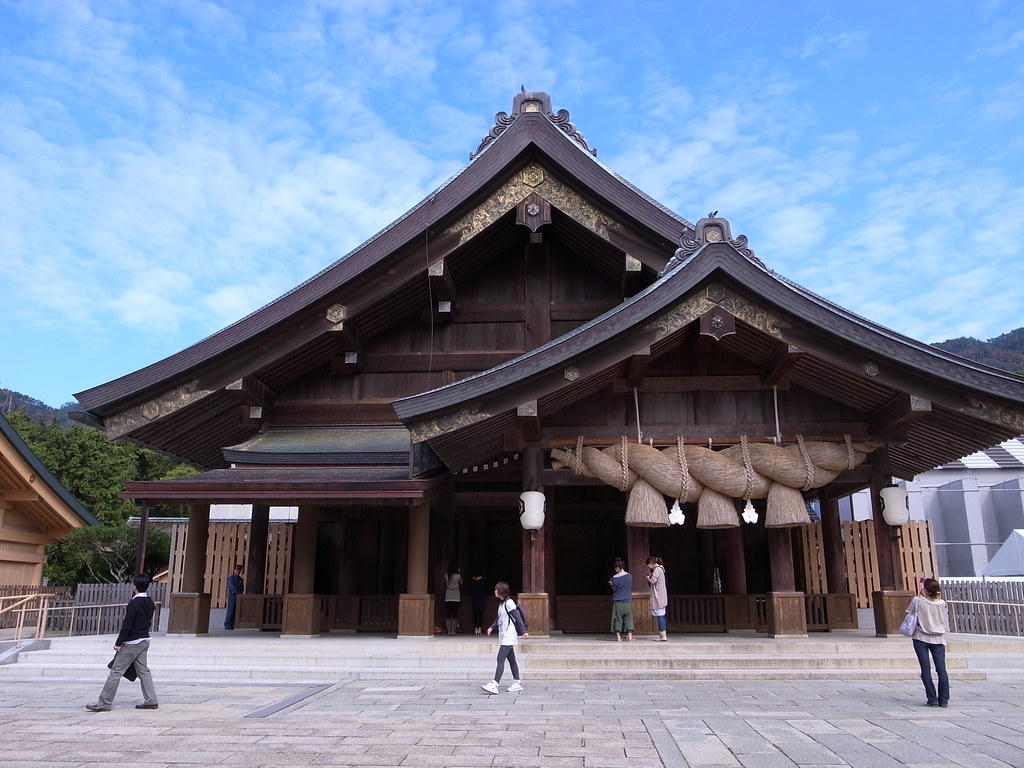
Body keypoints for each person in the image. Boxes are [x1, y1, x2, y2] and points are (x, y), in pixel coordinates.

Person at [85, 572, 159, 712]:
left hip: (132, 642)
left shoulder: (134, 602)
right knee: (143, 671)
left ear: (134, 587)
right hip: (144, 639)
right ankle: (151, 700)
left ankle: (104, 702)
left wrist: (118, 643)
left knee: (116, 672)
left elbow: (127, 625)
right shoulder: (150, 602)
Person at [907, 576, 950, 707]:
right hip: (938, 638)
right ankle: (944, 699)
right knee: (941, 670)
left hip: (921, 637)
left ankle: (932, 698)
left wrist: (920, 595)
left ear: (924, 589)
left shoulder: (917, 601)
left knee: (925, 670)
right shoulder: (942, 603)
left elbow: (909, 612)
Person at [481, 581, 527, 693]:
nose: (495, 591)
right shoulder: (502, 604)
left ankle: (495, 684)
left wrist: (523, 631)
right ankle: (517, 682)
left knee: (500, 658)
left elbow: (518, 618)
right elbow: (499, 619)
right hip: (504, 636)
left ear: (500, 591)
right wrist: (492, 627)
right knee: (511, 660)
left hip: (508, 636)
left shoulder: (509, 603)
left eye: (496, 589)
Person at [609, 558, 634, 641]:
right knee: (628, 618)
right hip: (627, 600)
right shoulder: (629, 576)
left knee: (617, 618)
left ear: (617, 568)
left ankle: (618, 636)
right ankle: (630, 636)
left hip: (618, 601)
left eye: (615, 568)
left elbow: (614, 589)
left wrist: (612, 584)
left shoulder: (615, 578)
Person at [644, 555, 668, 641]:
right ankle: (662, 635)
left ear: (652, 563)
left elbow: (654, 581)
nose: (649, 567)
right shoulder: (661, 569)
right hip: (662, 594)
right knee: (661, 614)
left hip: (658, 596)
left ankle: (663, 635)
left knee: (660, 615)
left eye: (649, 565)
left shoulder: (657, 570)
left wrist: (648, 578)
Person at [444, 561, 463, 635]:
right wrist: (459, 572)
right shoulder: (458, 576)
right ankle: (453, 630)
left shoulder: (446, 575)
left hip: (448, 596)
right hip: (456, 596)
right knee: (455, 614)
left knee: (448, 613)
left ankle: (449, 630)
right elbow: (461, 583)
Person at [224, 564, 244, 630]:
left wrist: (240, 593)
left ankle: (233, 624)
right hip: (232, 596)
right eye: (236, 570)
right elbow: (231, 587)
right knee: (231, 610)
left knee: (236, 610)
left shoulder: (240, 579)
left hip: (238, 596)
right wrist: (238, 592)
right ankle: (227, 625)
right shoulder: (230, 578)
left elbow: (242, 588)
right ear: (234, 570)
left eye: (239, 570)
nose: (237, 571)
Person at [470, 565, 487, 635]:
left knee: (474, 614)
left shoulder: (472, 580)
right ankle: (479, 629)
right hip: (481, 597)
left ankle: (475, 629)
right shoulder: (484, 579)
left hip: (474, 597)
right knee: (481, 614)